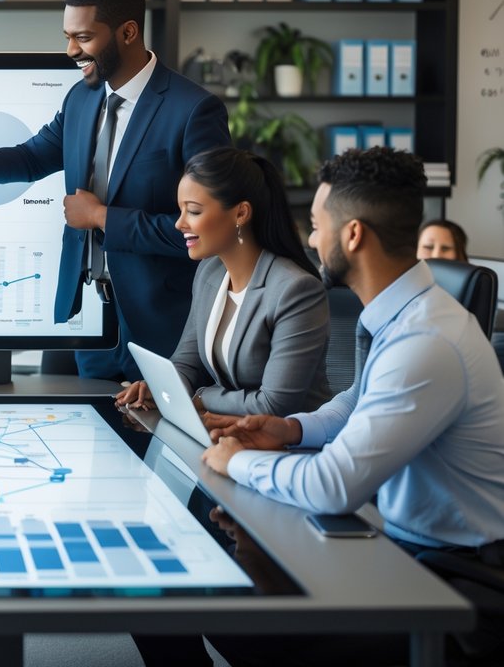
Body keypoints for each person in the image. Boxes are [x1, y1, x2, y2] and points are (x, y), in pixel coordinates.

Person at [201, 147, 504, 666]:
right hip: (406, 545)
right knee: (238, 593)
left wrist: (239, 461)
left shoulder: (426, 341)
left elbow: (333, 487)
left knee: (244, 623)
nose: (311, 239)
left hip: (458, 582)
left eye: (318, 226)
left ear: (354, 234)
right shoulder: (410, 313)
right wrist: (289, 430)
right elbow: (358, 400)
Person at [0, 0, 230, 380]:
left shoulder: (193, 110)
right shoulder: (81, 99)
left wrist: (102, 217)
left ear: (128, 33)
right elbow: (31, 158)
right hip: (91, 319)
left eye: (83, 37)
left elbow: (212, 230)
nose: (71, 51)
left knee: (153, 426)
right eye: (67, 36)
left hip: (163, 328)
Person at [115, 147, 329, 416]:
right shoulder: (210, 272)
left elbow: (274, 404)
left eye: (193, 211)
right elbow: (186, 363)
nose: (179, 224)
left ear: (241, 213)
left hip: (296, 437)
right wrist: (160, 388)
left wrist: (202, 397)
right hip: (229, 431)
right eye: (180, 210)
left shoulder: (295, 290)